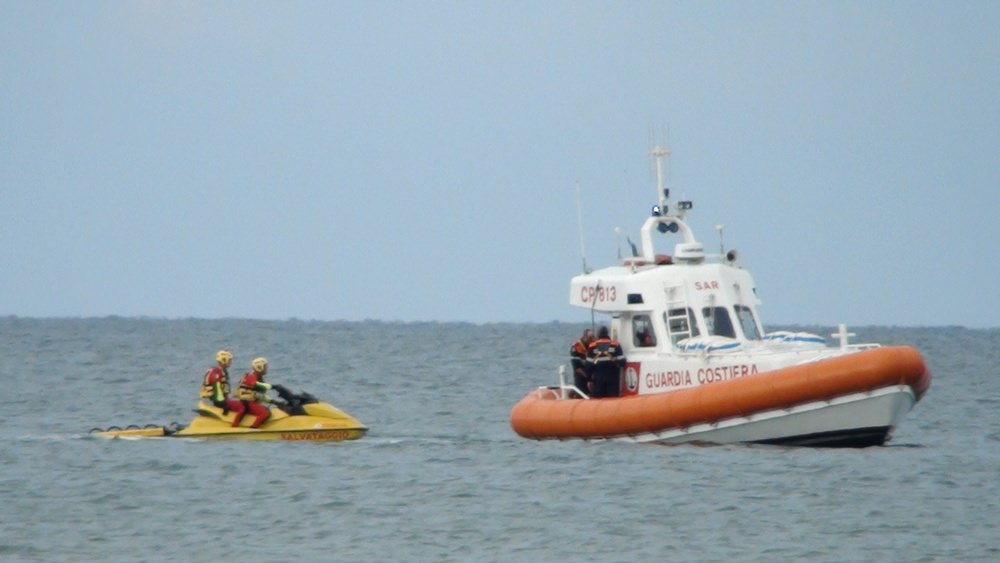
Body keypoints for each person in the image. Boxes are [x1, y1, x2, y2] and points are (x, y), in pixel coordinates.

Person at [199, 350, 246, 420]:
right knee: (243, 407)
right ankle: (235, 425)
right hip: (219, 401)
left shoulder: (222, 371)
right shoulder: (217, 372)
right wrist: (223, 404)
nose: (230, 362)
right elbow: (217, 389)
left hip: (222, 400)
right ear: (224, 360)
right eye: (229, 360)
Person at [232, 357, 275, 428]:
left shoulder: (259, 378)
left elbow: (260, 395)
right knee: (265, 413)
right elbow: (257, 385)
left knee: (266, 409)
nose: (266, 368)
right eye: (265, 366)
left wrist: (273, 401)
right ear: (259, 367)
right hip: (247, 403)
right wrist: (272, 386)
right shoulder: (251, 377)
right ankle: (254, 428)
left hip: (251, 402)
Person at [587, 326, 626, 398]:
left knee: (598, 402)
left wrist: (589, 380)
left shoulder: (592, 346)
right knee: (613, 401)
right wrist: (614, 360)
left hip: (598, 379)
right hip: (612, 378)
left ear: (598, 334)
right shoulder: (615, 344)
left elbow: (588, 366)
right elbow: (622, 362)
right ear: (607, 333)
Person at [569, 328, 594, 398]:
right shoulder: (576, 347)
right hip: (580, 376)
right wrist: (587, 377)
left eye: (592, 337)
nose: (591, 339)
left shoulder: (593, 344)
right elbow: (576, 367)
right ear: (585, 337)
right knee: (581, 393)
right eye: (590, 337)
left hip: (591, 375)